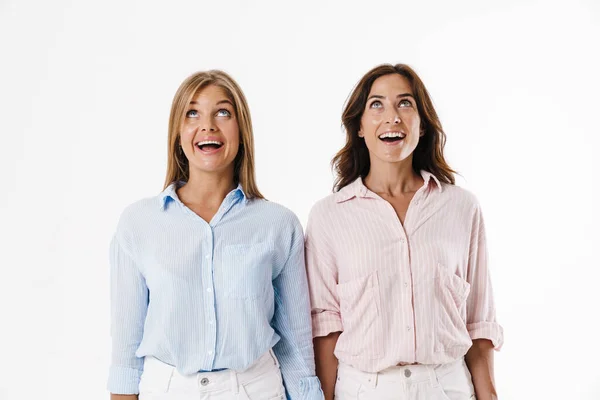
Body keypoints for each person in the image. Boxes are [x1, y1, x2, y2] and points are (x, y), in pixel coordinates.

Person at [108, 70, 322, 400]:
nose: (208, 125)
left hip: (256, 389)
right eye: (192, 112)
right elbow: (126, 347)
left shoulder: (279, 224)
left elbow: (296, 343)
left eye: (223, 112)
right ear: (178, 134)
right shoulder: (139, 223)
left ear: (242, 132)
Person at [306, 64, 503, 400]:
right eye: (377, 105)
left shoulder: (461, 208)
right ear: (359, 127)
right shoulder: (329, 216)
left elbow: (478, 322)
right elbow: (326, 330)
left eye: (405, 103)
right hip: (363, 389)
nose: (392, 117)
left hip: (448, 386)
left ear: (422, 125)